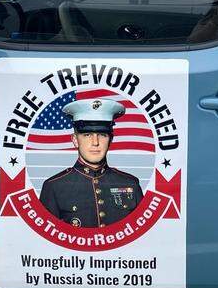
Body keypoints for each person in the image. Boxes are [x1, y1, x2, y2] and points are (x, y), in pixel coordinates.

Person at [39, 97, 145, 228]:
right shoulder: (54, 187)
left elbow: (143, 236)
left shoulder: (130, 184)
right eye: (87, 135)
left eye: (102, 135)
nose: (95, 142)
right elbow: (45, 242)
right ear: (75, 140)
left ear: (111, 140)